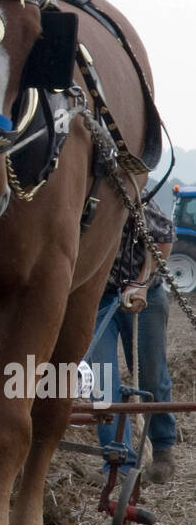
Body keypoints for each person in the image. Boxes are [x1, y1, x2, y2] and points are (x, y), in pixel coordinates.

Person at [88, 191, 176, 483]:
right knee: (101, 379)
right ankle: (119, 460)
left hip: (145, 296)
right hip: (99, 299)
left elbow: (163, 237)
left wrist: (141, 283)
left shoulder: (134, 200)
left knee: (150, 375)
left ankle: (162, 445)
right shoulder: (83, 207)